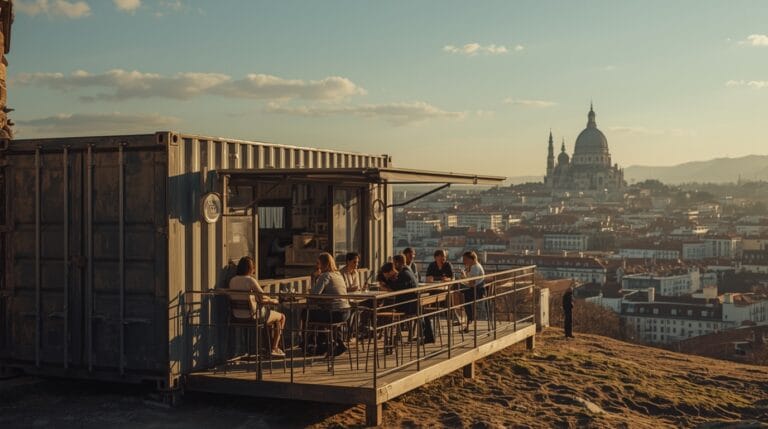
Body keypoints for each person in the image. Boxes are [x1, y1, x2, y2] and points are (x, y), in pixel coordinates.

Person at [229, 256, 286, 357]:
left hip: (236, 317)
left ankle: (268, 349)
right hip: (252, 317)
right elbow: (263, 296)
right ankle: (274, 348)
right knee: (281, 317)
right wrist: (273, 300)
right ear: (251, 268)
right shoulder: (250, 280)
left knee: (268, 319)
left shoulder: (232, 280)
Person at [382, 255, 435, 344]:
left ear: (398, 263)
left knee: (384, 309)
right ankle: (396, 336)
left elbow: (397, 289)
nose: (393, 267)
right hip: (414, 304)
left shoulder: (403, 274)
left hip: (408, 306)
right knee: (386, 307)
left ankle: (386, 336)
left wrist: (387, 283)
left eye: (394, 264)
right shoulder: (408, 271)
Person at [307, 252, 351, 356]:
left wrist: (314, 278)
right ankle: (337, 343)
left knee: (308, 315)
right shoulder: (338, 274)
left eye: (318, 263)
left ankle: (318, 345)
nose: (317, 266)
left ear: (324, 264)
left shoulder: (325, 276)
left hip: (335, 312)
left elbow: (314, 294)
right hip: (346, 312)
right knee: (322, 315)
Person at [460, 251, 486, 333]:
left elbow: (471, 284)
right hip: (478, 290)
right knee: (459, 293)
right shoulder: (475, 266)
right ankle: (466, 318)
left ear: (471, 259)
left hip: (476, 292)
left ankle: (468, 318)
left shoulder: (475, 268)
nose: (463, 261)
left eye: (465, 259)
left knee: (459, 295)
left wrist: (464, 276)